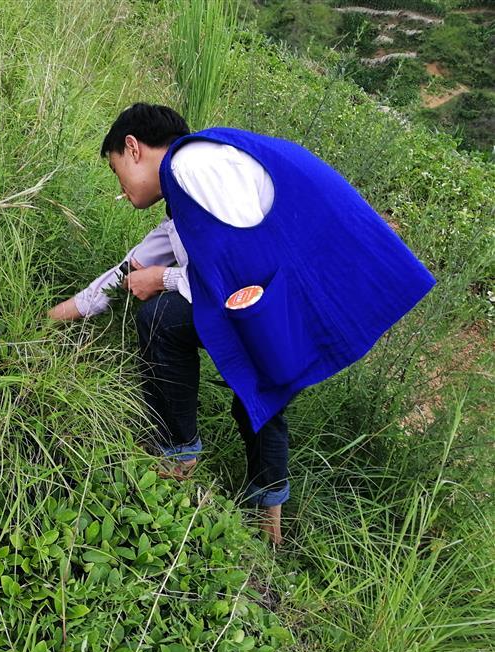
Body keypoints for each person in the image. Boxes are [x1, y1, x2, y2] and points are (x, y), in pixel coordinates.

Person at [48, 103, 436, 545]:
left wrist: (162, 278)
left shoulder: (192, 165)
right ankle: (265, 514)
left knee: (167, 322)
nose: (120, 190)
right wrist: (53, 318)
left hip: (306, 286)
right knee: (260, 378)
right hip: (285, 289)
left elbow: (237, 267)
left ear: (133, 148)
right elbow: (129, 270)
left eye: (117, 173)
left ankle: (179, 456)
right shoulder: (186, 192)